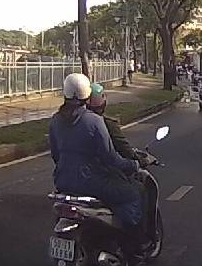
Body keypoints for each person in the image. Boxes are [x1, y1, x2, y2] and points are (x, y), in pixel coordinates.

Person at [48, 74, 147, 250]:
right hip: (93, 183)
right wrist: (133, 165)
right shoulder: (94, 121)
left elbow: (56, 155)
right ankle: (132, 245)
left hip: (62, 182)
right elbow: (111, 158)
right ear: (87, 95)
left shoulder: (55, 120)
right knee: (132, 194)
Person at [86, 82, 156, 246]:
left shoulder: (65, 122)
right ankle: (134, 239)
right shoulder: (103, 124)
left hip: (71, 180)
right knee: (136, 193)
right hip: (100, 178)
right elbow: (115, 156)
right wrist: (136, 163)